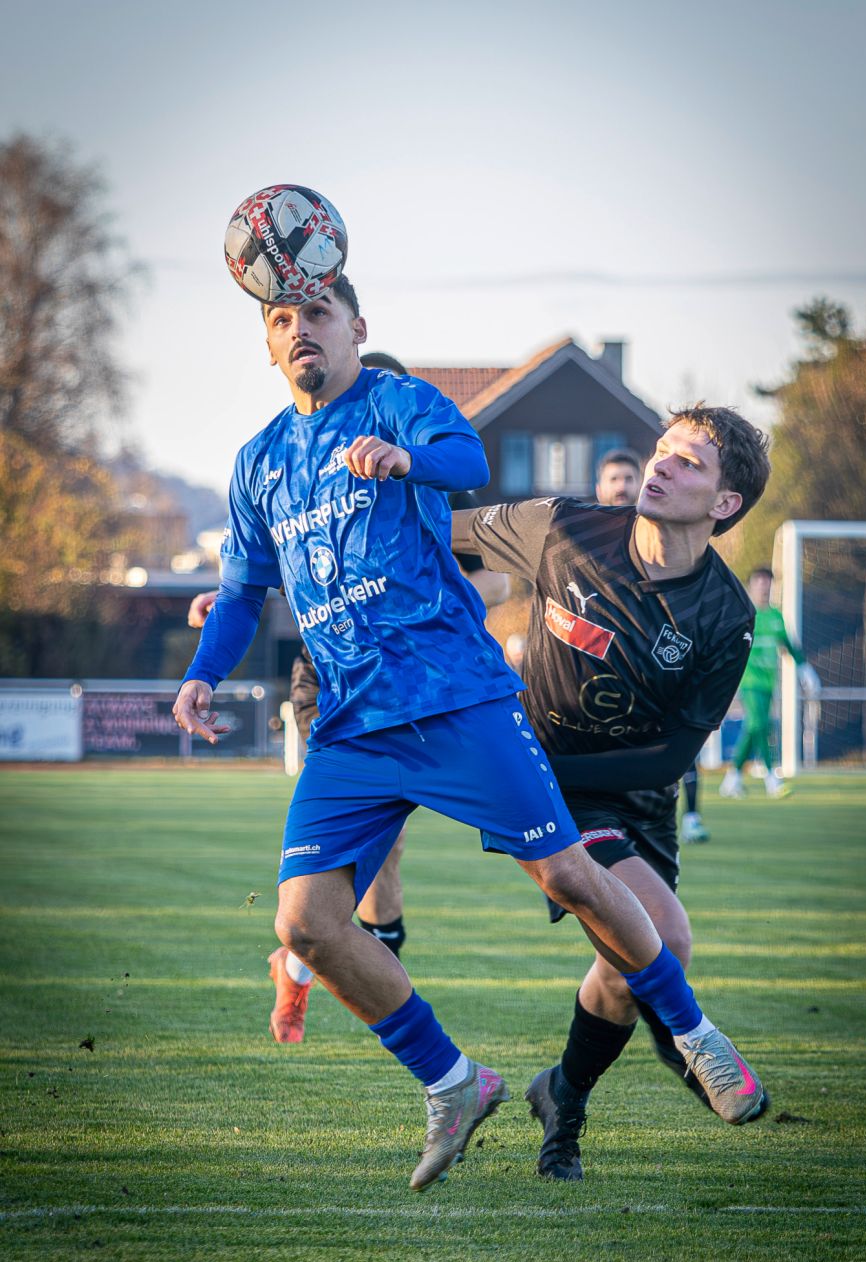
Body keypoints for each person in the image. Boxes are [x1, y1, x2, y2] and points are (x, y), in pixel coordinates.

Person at [173, 278, 763, 1191]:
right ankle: (454, 1083)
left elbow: (464, 458)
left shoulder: (399, 401)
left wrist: (404, 461)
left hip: (457, 698)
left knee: (570, 876)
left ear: (356, 327)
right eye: (281, 319)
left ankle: (695, 1034)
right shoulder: (258, 462)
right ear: (267, 341)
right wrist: (203, 672)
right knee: (306, 924)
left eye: (318, 313)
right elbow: (248, 588)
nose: (300, 330)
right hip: (351, 722)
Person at [452, 403, 772, 1181]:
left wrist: (547, 775)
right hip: (548, 793)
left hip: (635, 796)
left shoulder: (727, 616)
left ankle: (562, 1095)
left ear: (725, 502)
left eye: (689, 462)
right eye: (664, 450)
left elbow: (670, 758)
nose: (662, 465)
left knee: (625, 974)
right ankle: (680, 1041)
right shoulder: (563, 527)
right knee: (666, 939)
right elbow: (438, 529)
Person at [186, 354, 508, 1045]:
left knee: (383, 851)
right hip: (331, 682)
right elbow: (281, 572)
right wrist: (227, 606)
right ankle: (344, 964)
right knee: (380, 843)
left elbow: (500, 583)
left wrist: (428, 599)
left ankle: (305, 962)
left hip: (428, 681)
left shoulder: (421, 478)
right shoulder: (296, 470)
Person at [596, 449, 712, 847]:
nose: (622, 486)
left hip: (659, 673)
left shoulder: (665, 541)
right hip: (600, 683)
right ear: (599, 487)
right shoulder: (584, 541)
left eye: (629, 478)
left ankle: (689, 816)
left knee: (678, 748)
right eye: (614, 479)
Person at [719, 566, 820, 799]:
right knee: (761, 725)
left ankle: (732, 778)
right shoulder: (743, 614)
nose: (764, 587)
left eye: (767, 583)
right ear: (751, 585)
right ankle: (772, 779)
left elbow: (788, 645)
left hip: (768, 683)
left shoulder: (776, 616)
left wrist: (805, 670)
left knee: (754, 727)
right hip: (749, 681)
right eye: (759, 582)